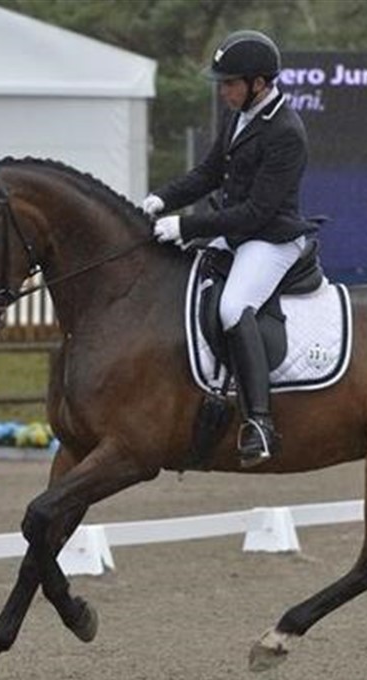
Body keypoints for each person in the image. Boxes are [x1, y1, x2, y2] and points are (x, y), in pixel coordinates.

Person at [141, 29, 318, 468]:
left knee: (233, 307)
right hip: (236, 233)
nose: (223, 91)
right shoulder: (237, 114)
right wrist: (161, 199)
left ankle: (259, 422)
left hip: (271, 238)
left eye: (230, 83)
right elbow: (207, 174)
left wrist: (186, 224)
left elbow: (256, 212)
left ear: (259, 83)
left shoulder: (286, 132)